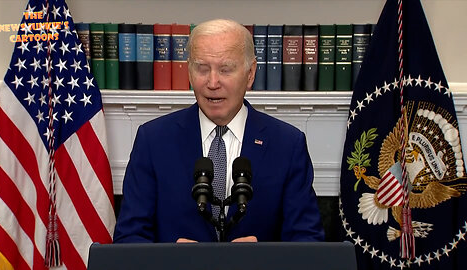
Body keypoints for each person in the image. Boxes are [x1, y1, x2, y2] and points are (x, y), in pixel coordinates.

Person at [113, 19, 325, 243]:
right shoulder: (153, 140)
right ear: (189, 72)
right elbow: (129, 238)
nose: (212, 83)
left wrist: (264, 260)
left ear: (250, 73)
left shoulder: (287, 144)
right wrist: (170, 262)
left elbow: (308, 242)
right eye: (202, 69)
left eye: (225, 69)